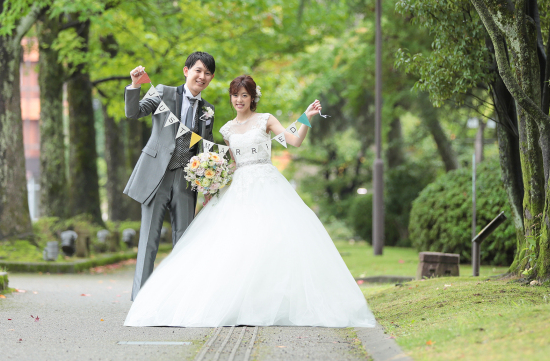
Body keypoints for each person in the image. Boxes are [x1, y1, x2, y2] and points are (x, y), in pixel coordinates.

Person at [124, 74, 375, 327]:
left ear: (253, 97)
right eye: (235, 95)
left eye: (244, 95)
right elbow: (232, 163)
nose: (239, 100)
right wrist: (213, 180)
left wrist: (306, 118)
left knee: (274, 239)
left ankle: (272, 302)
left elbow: (295, 141)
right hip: (240, 187)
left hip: (268, 185)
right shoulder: (227, 129)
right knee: (236, 243)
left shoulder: (266, 119)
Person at [124, 51, 216, 301]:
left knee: (184, 241)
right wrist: (134, 86)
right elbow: (134, 113)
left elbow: (206, 148)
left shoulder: (208, 110)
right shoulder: (163, 92)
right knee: (149, 240)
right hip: (157, 175)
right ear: (186, 71)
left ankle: (178, 300)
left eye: (208, 73)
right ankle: (140, 300)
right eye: (198, 70)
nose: (202, 76)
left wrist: (209, 184)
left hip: (186, 180)